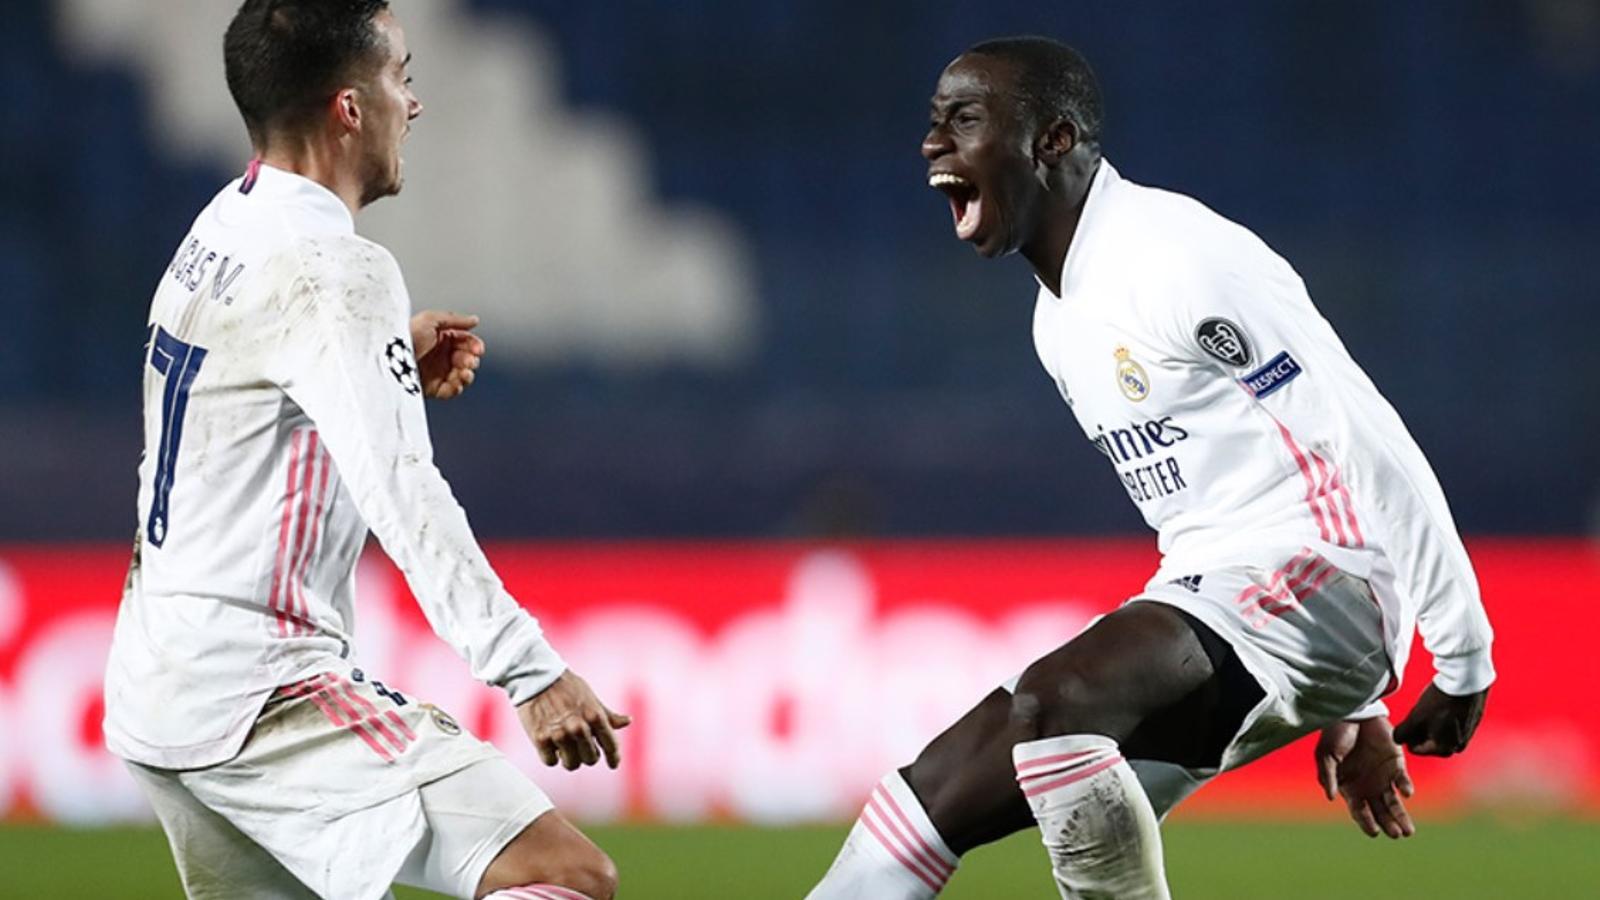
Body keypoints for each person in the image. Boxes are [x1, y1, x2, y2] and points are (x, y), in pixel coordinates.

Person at [806, 36, 1494, 900]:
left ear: (1053, 140)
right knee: (930, 795)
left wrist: (1460, 657)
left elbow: (1364, 442)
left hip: (1329, 579)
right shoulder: (1055, 322)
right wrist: (1348, 702)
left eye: (964, 118)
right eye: (934, 121)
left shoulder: (1179, 260)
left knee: (1055, 704)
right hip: (1226, 590)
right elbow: (1217, 491)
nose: (932, 142)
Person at [102, 3, 629, 898]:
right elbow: (403, 493)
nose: (412, 103)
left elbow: (235, 408)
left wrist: (377, 367)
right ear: (350, 107)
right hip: (261, 698)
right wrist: (530, 671)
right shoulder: (333, 268)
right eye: (400, 75)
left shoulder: (222, 230)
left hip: (159, 683)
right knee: (565, 876)